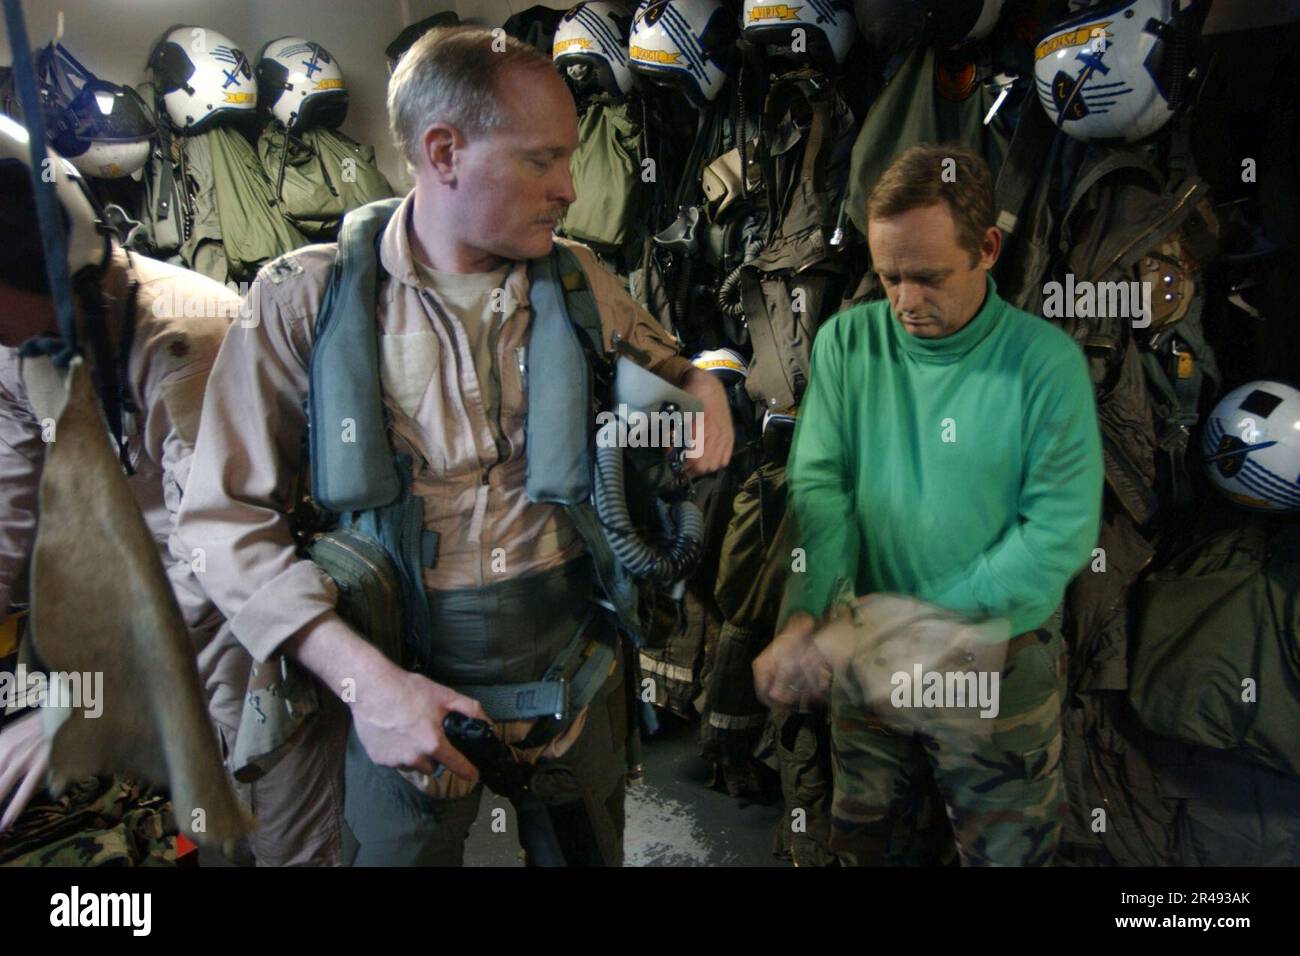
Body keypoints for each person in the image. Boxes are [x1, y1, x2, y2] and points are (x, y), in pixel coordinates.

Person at [176, 25, 733, 866]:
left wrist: (707, 388)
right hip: (399, 691)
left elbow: (674, 365)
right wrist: (368, 687)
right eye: (541, 161)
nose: (569, 189)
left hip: (573, 678)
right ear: (443, 151)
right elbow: (221, 523)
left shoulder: (582, 281)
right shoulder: (302, 304)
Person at [0, 120, 345, 865]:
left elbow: (215, 550)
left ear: (53, 271)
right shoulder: (20, 345)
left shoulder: (188, 341)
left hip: (253, 607)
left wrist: (83, 698)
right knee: (204, 807)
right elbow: (11, 503)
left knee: (276, 813)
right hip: (155, 607)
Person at [754, 144, 1103, 866]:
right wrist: (803, 615)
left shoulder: (1044, 365)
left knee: (1007, 856)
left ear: (987, 249)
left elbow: (1058, 531)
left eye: (929, 277)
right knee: (865, 848)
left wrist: (918, 623)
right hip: (865, 657)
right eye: (889, 277)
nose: (906, 302)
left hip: (994, 668)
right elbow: (820, 490)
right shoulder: (848, 344)